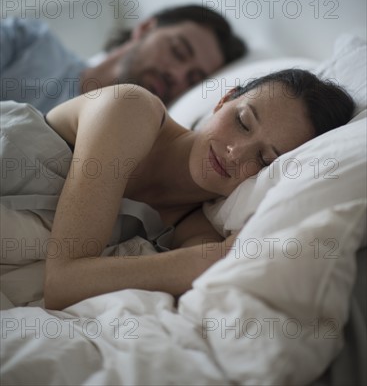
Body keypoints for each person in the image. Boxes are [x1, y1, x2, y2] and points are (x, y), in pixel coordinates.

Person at [0, 69, 355, 310]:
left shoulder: (192, 230)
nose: (235, 153)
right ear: (223, 100)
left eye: (264, 160)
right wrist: (211, 258)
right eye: (243, 122)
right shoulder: (130, 110)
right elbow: (64, 283)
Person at [0, 4, 246, 112]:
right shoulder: (29, 42)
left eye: (193, 80)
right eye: (178, 51)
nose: (177, 76)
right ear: (146, 28)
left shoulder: (123, 149)